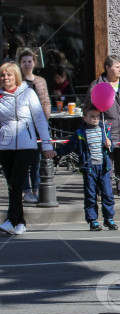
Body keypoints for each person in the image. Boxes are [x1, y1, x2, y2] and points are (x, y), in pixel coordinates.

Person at [0, 62, 55, 235]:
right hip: (5, 143)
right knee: (12, 185)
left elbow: (39, 119)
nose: (5, 78)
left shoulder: (28, 93)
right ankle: (20, 222)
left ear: (15, 76)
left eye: (8, 75)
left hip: (26, 144)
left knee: (17, 182)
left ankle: (10, 219)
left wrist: (46, 144)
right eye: (2, 75)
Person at [86, 56, 120, 201]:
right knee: (106, 164)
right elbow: (89, 107)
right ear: (107, 68)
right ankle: (104, 190)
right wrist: (96, 126)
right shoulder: (97, 85)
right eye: (117, 67)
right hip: (106, 130)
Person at [55, 106, 118, 231]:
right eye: (92, 116)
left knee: (107, 194)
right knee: (90, 195)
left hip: (103, 167)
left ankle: (109, 218)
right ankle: (93, 220)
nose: (95, 119)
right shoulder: (80, 133)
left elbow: (111, 148)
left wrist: (109, 145)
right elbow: (69, 147)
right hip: (89, 168)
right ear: (85, 118)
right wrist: (55, 152)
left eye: (97, 116)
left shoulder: (105, 130)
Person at [16, 48, 50, 205]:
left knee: (36, 160)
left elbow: (45, 100)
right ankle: (26, 190)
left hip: (38, 125)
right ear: (20, 64)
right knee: (23, 161)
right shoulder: (17, 81)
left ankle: (36, 188)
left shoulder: (41, 80)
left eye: (30, 61)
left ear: (34, 63)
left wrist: (45, 118)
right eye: (24, 61)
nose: (27, 64)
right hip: (22, 126)